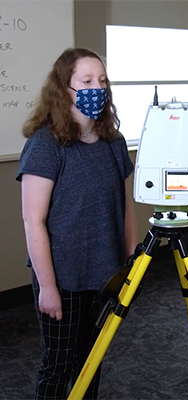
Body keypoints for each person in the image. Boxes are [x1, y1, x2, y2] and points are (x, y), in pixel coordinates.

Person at [16, 48, 138, 400]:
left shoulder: (114, 144)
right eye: (85, 82)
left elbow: (124, 205)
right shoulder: (45, 144)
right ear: (63, 89)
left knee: (90, 361)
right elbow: (32, 221)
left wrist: (130, 258)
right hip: (63, 276)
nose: (95, 89)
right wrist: (48, 288)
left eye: (101, 81)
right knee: (58, 364)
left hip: (103, 273)